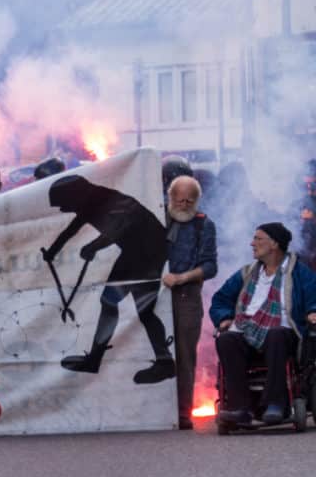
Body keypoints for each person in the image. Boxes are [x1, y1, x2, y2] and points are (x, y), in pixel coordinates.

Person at [42, 175, 174, 382]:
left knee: (128, 306)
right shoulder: (91, 200)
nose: (64, 209)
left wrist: (92, 247)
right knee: (122, 306)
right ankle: (161, 361)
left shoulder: (103, 199)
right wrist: (52, 252)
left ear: (74, 196)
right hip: (138, 252)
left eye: (65, 204)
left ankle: (162, 362)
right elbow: (71, 230)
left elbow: (118, 229)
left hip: (146, 253)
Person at [210, 223, 316, 425]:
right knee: (226, 340)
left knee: (276, 334)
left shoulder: (299, 272)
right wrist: (224, 317)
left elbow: (313, 295)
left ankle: (276, 404)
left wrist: (313, 312)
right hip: (248, 331)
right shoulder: (248, 273)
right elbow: (220, 299)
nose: (252, 243)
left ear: (274, 244)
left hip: (283, 334)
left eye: (258, 239)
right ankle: (240, 407)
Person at [163, 176, 217, 430]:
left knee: (184, 356)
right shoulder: (157, 218)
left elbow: (210, 266)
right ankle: (156, 409)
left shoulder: (203, 225)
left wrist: (182, 277)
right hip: (156, 295)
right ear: (170, 197)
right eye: (179, 199)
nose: (183, 205)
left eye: (189, 200)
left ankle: (182, 412)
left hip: (186, 297)